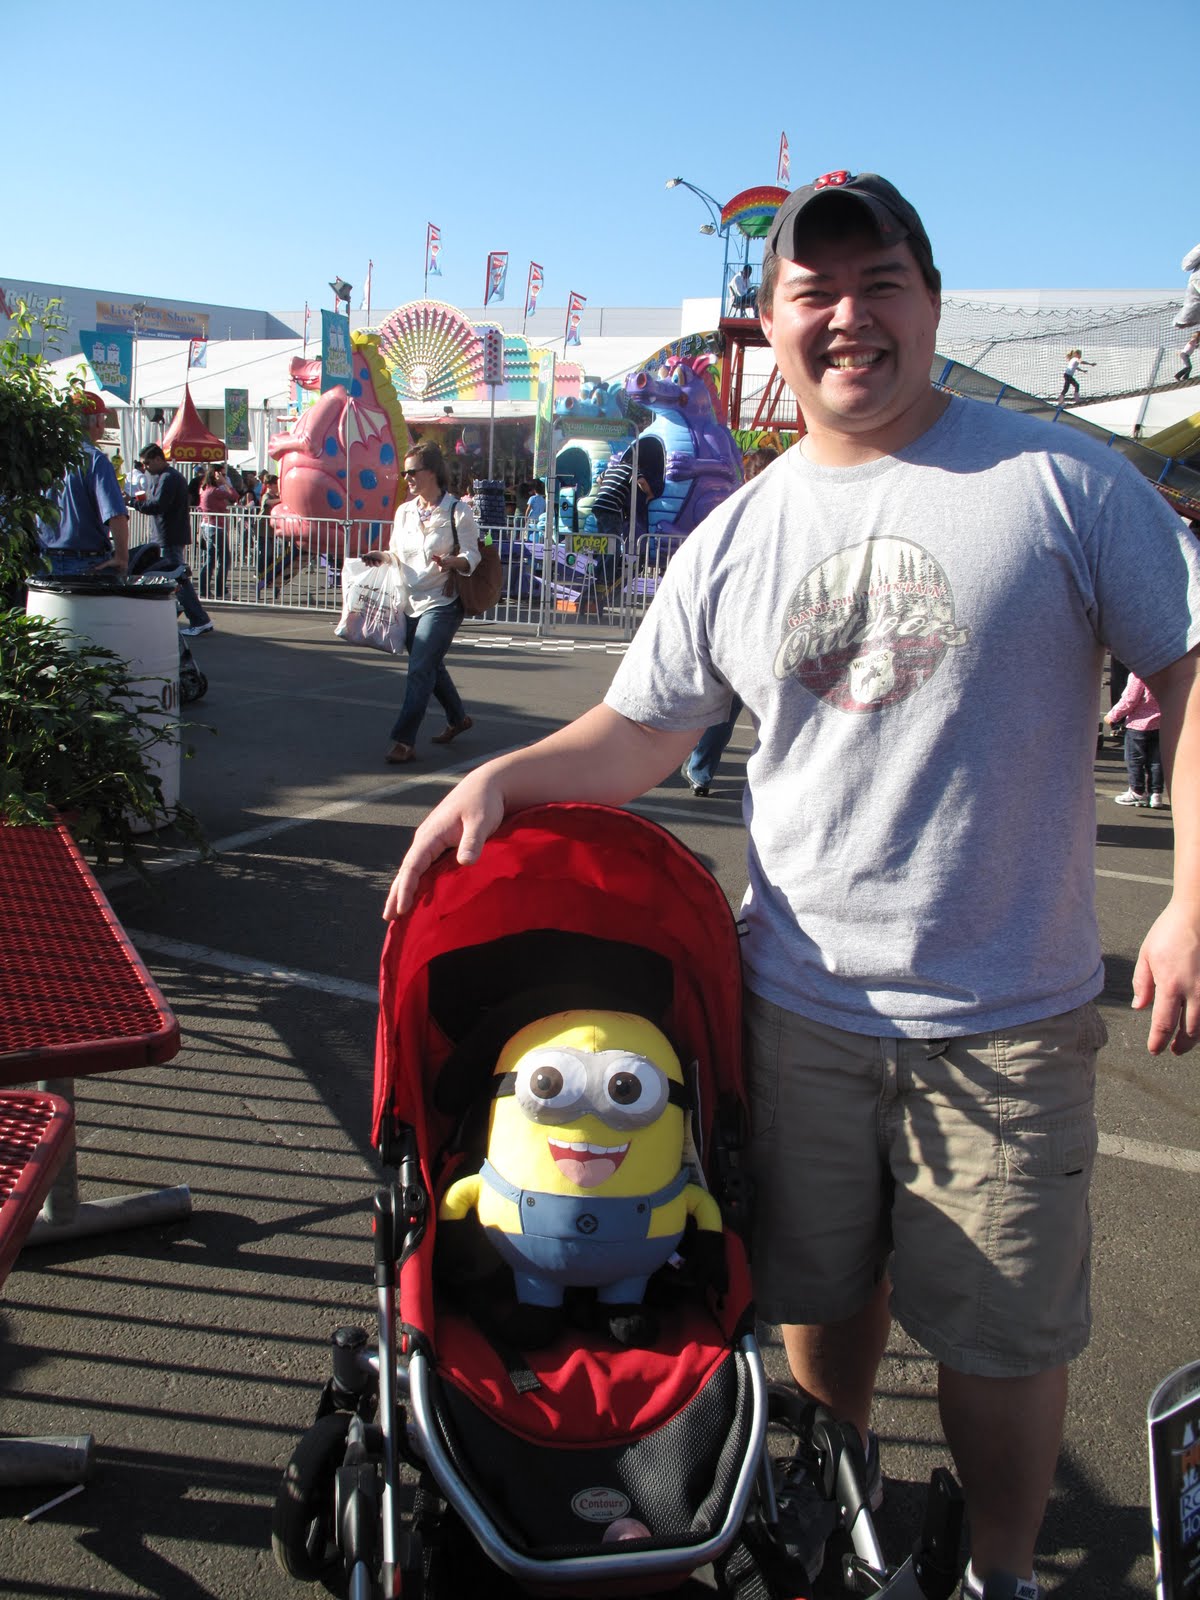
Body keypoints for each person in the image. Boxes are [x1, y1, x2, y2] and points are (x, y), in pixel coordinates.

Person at [384, 169, 1200, 1598]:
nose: (850, 318)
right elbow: (642, 730)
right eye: (815, 293)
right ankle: (843, 1521)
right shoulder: (743, 531)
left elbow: (1188, 670)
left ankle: (999, 1574)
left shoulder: (1062, 482)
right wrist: (505, 776)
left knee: (1004, 1339)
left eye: (881, 283)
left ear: (933, 303)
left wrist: (1191, 897)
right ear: (771, 327)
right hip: (798, 1007)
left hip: (1005, 1021)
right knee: (820, 1296)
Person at [362, 440, 479, 764]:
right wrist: (380, 556)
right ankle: (458, 719)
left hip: (442, 601)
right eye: (405, 473)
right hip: (408, 600)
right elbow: (396, 553)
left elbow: (473, 555)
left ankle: (404, 740)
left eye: (412, 472)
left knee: (419, 669)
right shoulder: (404, 512)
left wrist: (454, 562)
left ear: (432, 472)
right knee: (430, 666)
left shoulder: (458, 510)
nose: (407, 478)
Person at [680, 449, 778, 794]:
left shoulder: (753, 512)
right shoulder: (747, 513)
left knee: (738, 707)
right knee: (736, 708)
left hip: (757, 621)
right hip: (750, 622)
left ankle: (701, 768)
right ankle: (701, 768)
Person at [37, 392, 130, 577]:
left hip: (44, 560)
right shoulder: (96, 461)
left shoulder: (46, 458)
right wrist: (122, 557)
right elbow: (115, 514)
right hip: (85, 562)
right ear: (97, 422)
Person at [129, 443, 213, 635]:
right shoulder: (165, 477)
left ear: (159, 459)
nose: (146, 467)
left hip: (169, 536)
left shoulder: (168, 478)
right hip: (167, 535)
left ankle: (199, 619)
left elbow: (159, 505)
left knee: (177, 578)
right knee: (173, 577)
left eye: (148, 463)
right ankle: (190, 615)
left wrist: (134, 503)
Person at [1105, 673, 1166, 807]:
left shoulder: (1139, 674)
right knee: (1156, 761)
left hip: (1137, 725)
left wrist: (1113, 716)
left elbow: (1130, 699)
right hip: (1161, 723)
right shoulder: (1166, 671)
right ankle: (1156, 793)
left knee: (1135, 760)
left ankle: (1137, 791)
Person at [197, 465, 237, 601]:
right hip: (216, 527)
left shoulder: (205, 489)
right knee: (224, 559)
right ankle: (220, 591)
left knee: (211, 558)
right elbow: (234, 496)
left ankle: (204, 590)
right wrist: (225, 483)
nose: (225, 478)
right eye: (223, 475)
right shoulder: (214, 491)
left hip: (209, 526)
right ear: (216, 475)